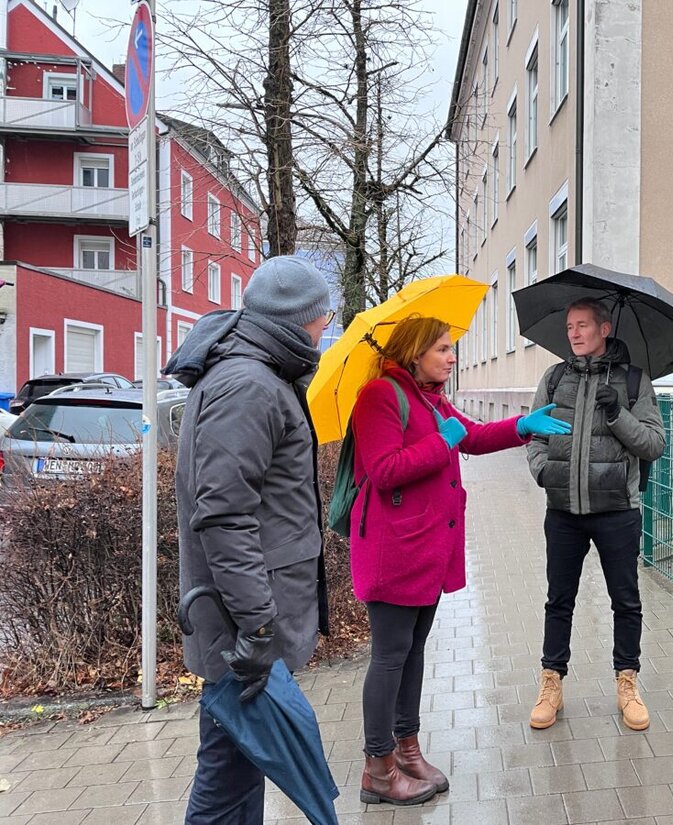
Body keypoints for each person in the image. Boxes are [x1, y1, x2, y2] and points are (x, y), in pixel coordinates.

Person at [350, 315, 570, 806]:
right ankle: (377, 769)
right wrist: (441, 441)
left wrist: (521, 426)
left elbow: (473, 436)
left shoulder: (432, 399)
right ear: (415, 353)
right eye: (443, 349)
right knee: (389, 656)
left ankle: (407, 750)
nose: (453, 357)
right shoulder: (380, 396)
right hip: (393, 551)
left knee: (413, 651)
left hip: (426, 549)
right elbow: (384, 471)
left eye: (452, 349)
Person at [173, 255, 334, 825]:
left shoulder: (259, 374)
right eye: (323, 316)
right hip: (241, 626)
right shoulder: (249, 385)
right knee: (225, 779)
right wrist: (259, 626)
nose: (325, 326)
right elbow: (224, 516)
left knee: (240, 771)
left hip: (243, 617)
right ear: (301, 319)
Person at [525, 297, 666, 732]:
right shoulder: (554, 379)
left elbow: (653, 445)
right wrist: (544, 472)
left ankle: (627, 682)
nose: (574, 333)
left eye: (583, 325)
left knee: (625, 601)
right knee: (558, 600)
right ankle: (551, 682)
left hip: (617, 511)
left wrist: (617, 412)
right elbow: (534, 435)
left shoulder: (634, 381)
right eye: (570, 325)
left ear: (604, 329)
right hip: (563, 511)